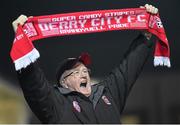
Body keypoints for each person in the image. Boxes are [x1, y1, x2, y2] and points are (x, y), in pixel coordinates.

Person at [12, 4, 158, 124]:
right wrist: (23, 45)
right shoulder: (58, 105)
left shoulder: (107, 93)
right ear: (64, 82)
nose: (83, 74)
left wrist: (146, 33)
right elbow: (36, 87)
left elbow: (128, 69)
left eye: (85, 70)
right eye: (76, 72)